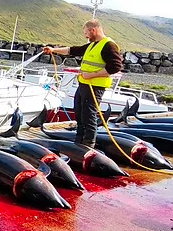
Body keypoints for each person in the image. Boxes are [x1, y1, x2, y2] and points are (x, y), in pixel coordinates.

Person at [43, 19, 123, 148]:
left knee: (89, 113)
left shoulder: (108, 45)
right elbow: (73, 50)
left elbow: (115, 67)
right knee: (79, 111)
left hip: (95, 86)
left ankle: (88, 143)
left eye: (86, 32)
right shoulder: (92, 45)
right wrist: (53, 50)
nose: (85, 35)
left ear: (93, 30)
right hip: (84, 84)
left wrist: (91, 75)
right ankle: (79, 139)